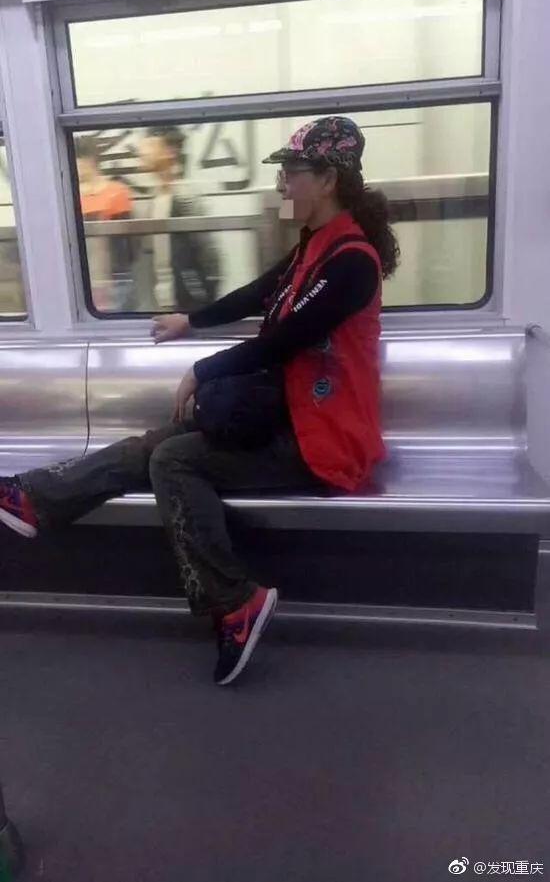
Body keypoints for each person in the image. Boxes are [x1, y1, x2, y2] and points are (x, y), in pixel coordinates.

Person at [0, 117, 399, 687]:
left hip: (325, 440)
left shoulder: (352, 262)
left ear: (327, 179)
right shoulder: (315, 247)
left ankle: (235, 601)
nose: (282, 184)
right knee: (159, 441)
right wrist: (192, 321)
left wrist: (201, 369)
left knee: (173, 459)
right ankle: (33, 498)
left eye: (290, 172)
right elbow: (259, 294)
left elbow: (285, 340)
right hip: (290, 418)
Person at [138, 126, 218, 311]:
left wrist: (202, 302)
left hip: (186, 302)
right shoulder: (156, 196)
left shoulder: (185, 197)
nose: (142, 151)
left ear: (170, 151)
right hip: (164, 300)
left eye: (149, 145)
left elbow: (207, 254)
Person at [76, 135, 135, 309]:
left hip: (115, 278)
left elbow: (127, 244)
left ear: (89, 161)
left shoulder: (116, 192)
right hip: (80, 277)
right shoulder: (69, 196)